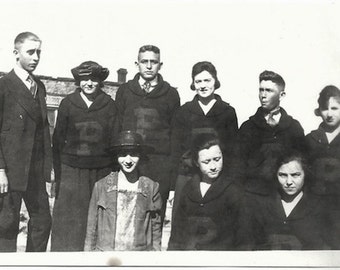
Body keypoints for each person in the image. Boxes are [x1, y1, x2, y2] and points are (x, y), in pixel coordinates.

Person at [51, 61, 119, 251]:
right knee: (69, 220)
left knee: (99, 217)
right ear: (78, 81)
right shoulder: (67, 104)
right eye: (85, 79)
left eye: (94, 79)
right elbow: (57, 141)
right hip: (72, 170)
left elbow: (114, 140)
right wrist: (59, 173)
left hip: (101, 171)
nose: (89, 83)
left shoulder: (109, 105)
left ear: (100, 81)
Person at [115, 45, 180, 221]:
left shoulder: (171, 94)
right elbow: (117, 129)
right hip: (131, 164)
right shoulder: (125, 91)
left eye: (154, 62)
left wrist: (172, 180)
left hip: (160, 167)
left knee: (154, 219)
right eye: (145, 62)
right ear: (137, 64)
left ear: (161, 65)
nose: (149, 66)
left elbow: (175, 137)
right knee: (126, 217)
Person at [0, 32, 52, 251]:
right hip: (10, 170)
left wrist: (47, 170)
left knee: (42, 222)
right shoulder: (4, 86)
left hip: (35, 171)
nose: (36, 57)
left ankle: (33, 263)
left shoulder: (39, 87)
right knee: (6, 225)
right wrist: (0, 170)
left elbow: (44, 130)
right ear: (16, 53)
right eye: (30, 52)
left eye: (38, 52)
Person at [170, 61, 238, 220]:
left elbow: (233, 151)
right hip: (187, 176)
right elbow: (175, 149)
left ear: (215, 81)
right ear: (193, 84)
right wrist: (174, 187)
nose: (203, 85)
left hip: (217, 177)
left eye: (207, 80)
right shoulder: (183, 112)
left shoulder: (227, 112)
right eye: (198, 81)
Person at [84, 130, 162, 251]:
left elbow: (155, 227)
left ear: (140, 155)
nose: (128, 160)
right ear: (116, 156)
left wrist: (155, 255)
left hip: (139, 256)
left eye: (133, 154)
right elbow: (91, 227)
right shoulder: (101, 186)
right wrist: (89, 256)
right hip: (107, 255)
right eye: (123, 154)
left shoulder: (151, 187)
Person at [168, 133, 244, 250]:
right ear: (197, 163)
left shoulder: (233, 190)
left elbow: (242, 234)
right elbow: (178, 230)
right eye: (206, 162)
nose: (213, 166)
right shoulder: (188, 189)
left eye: (217, 159)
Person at [243, 151, 330, 250]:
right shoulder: (262, 204)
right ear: (276, 175)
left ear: (305, 174)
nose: (289, 182)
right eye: (283, 175)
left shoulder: (320, 206)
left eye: (295, 175)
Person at [238, 70, 305, 192]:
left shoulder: (294, 128)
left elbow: (302, 165)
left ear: (281, 95)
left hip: (285, 194)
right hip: (255, 193)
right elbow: (238, 166)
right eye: (261, 90)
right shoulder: (247, 128)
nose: (263, 95)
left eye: (269, 91)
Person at [305, 85, 340, 249]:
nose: (330, 113)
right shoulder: (310, 140)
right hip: (315, 203)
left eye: (335, 108)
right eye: (325, 108)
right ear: (319, 110)